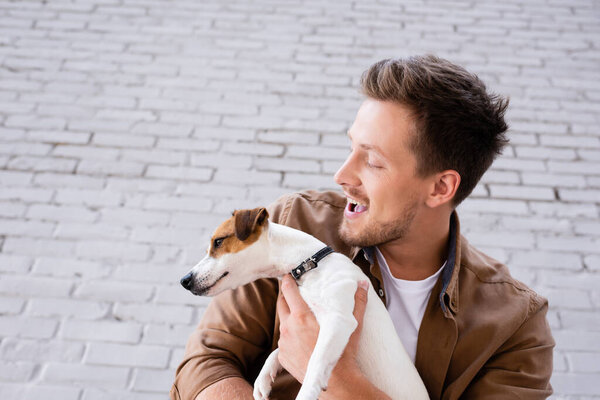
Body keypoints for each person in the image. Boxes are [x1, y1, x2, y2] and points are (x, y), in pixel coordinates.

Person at [170, 55, 554, 400]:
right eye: (351, 147)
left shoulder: (516, 329)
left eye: (372, 161)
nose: (342, 175)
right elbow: (206, 362)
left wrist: (338, 381)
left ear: (440, 187)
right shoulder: (292, 224)